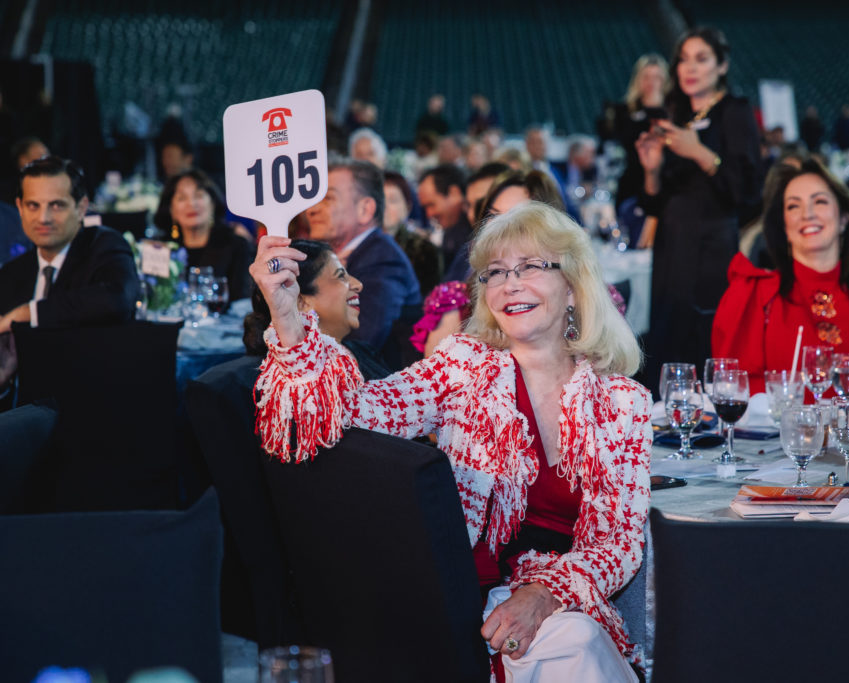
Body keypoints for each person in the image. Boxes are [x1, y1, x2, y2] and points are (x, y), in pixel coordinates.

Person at [251, 201, 651, 682]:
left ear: (572, 286)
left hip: (560, 600)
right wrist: (288, 315)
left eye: (530, 267)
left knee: (577, 639)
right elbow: (352, 410)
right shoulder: (463, 366)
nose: (510, 284)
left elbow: (619, 543)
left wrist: (544, 595)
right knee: (577, 644)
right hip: (461, 599)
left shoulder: (624, 403)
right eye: (496, 272)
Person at [634, 26, 761, 396]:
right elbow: (653, 203)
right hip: (671, 246)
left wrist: (701, 153)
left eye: (701, 58)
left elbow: (748, 192)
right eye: (684, 59)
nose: (689, 68)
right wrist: (652, 169)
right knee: (667, 336)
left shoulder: (735, 113)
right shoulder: (675, 116)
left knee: (703, 340)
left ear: (722, 65)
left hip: (711, 247)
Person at [712, 158, 849, 395]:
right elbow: (734, 390)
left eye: (820, 201)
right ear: (784, 226)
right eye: (793, 206)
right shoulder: (754, 295)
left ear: (844, 217)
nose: (807, 214)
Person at [412, 169, 568, 356]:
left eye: (518, 217)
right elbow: (432, 379)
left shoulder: (582, 296)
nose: (502, 227)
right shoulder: (458, 302)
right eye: (494, 216)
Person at [0, 156, 140, 333]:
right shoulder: (12, 273)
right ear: (20, 208)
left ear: (81, 208)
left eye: (57, 205)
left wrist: (30, 313)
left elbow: (118, 300)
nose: (44, 218)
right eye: (33, 205)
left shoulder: (105, 248)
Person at [304, 158, 421, 351]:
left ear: (365, 210)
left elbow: (362, 342)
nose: (312, 210)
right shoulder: (344, 254)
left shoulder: (383, 260)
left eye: (328, 199)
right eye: (314, 200)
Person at [245, 239, 389, 380]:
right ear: (301, 302)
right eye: (341, 276)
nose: (358, 285)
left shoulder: (364, 351)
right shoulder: (295, 382)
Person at [154, 169, 254, 302]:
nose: (192, 204)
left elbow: (243, 302)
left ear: (212, 203)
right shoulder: (161, 248)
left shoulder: (236, 244)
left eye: (199, 195)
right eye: (182, 198)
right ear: (172, 210)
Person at [612, 54, 670, 210]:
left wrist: (657, 109)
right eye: (647, 77)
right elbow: (628, 141)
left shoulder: (673, 112)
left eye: (656, 77)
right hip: (632, 183)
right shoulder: (624, 111)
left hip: (663, 184)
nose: (651, 82)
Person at [382, 171, 442, 298]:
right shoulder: (359, 246)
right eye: (380, 199)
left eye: (392, 200)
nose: (384, 207)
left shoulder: (424, 250)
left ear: (408, 207)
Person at [417, 164, 472, 276]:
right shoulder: (451, 230)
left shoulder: (476, 231)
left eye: (431, 205)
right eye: (425, 208)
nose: (429, 214)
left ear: (454, 193)